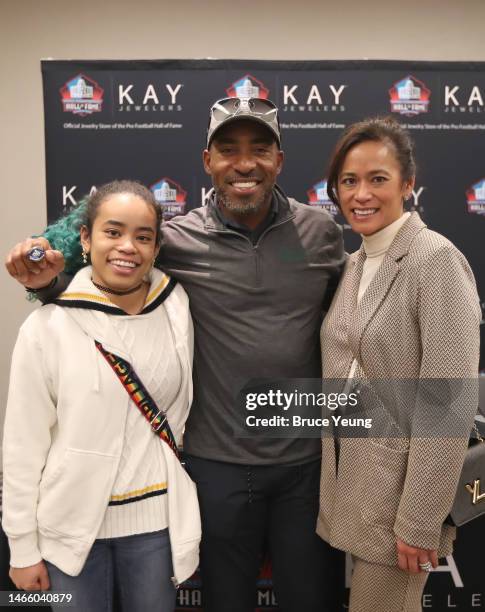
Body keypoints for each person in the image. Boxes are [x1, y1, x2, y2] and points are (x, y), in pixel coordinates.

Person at [5, 97, 346, 612]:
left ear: (280, 159)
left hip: (306, 463)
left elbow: (354, 321)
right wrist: (42, 265)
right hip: (216, 465)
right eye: (228, 150)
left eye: (260, 149)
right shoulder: (175, 238)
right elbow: (104, 240)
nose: (245, 163)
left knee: (311, 601)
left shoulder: (320, 232)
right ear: (207, 161)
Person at [3, 180, 200, 611]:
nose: (127, 247)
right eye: (112, 232)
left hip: (155, 530)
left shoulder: (176, 305)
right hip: (69, 534)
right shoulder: (47, 327)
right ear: (86, 239)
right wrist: (21, 547)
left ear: (155, 246)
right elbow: (22, 446)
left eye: (142, 236)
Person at [316, 117, 481, 612]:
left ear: (408, 185)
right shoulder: (356, 263)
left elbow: (448, 403)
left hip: (400, 502)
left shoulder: (435, 261)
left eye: (377, 179)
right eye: (349, 181)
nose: (360, 194)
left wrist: (419, 519)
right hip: (354, 488)